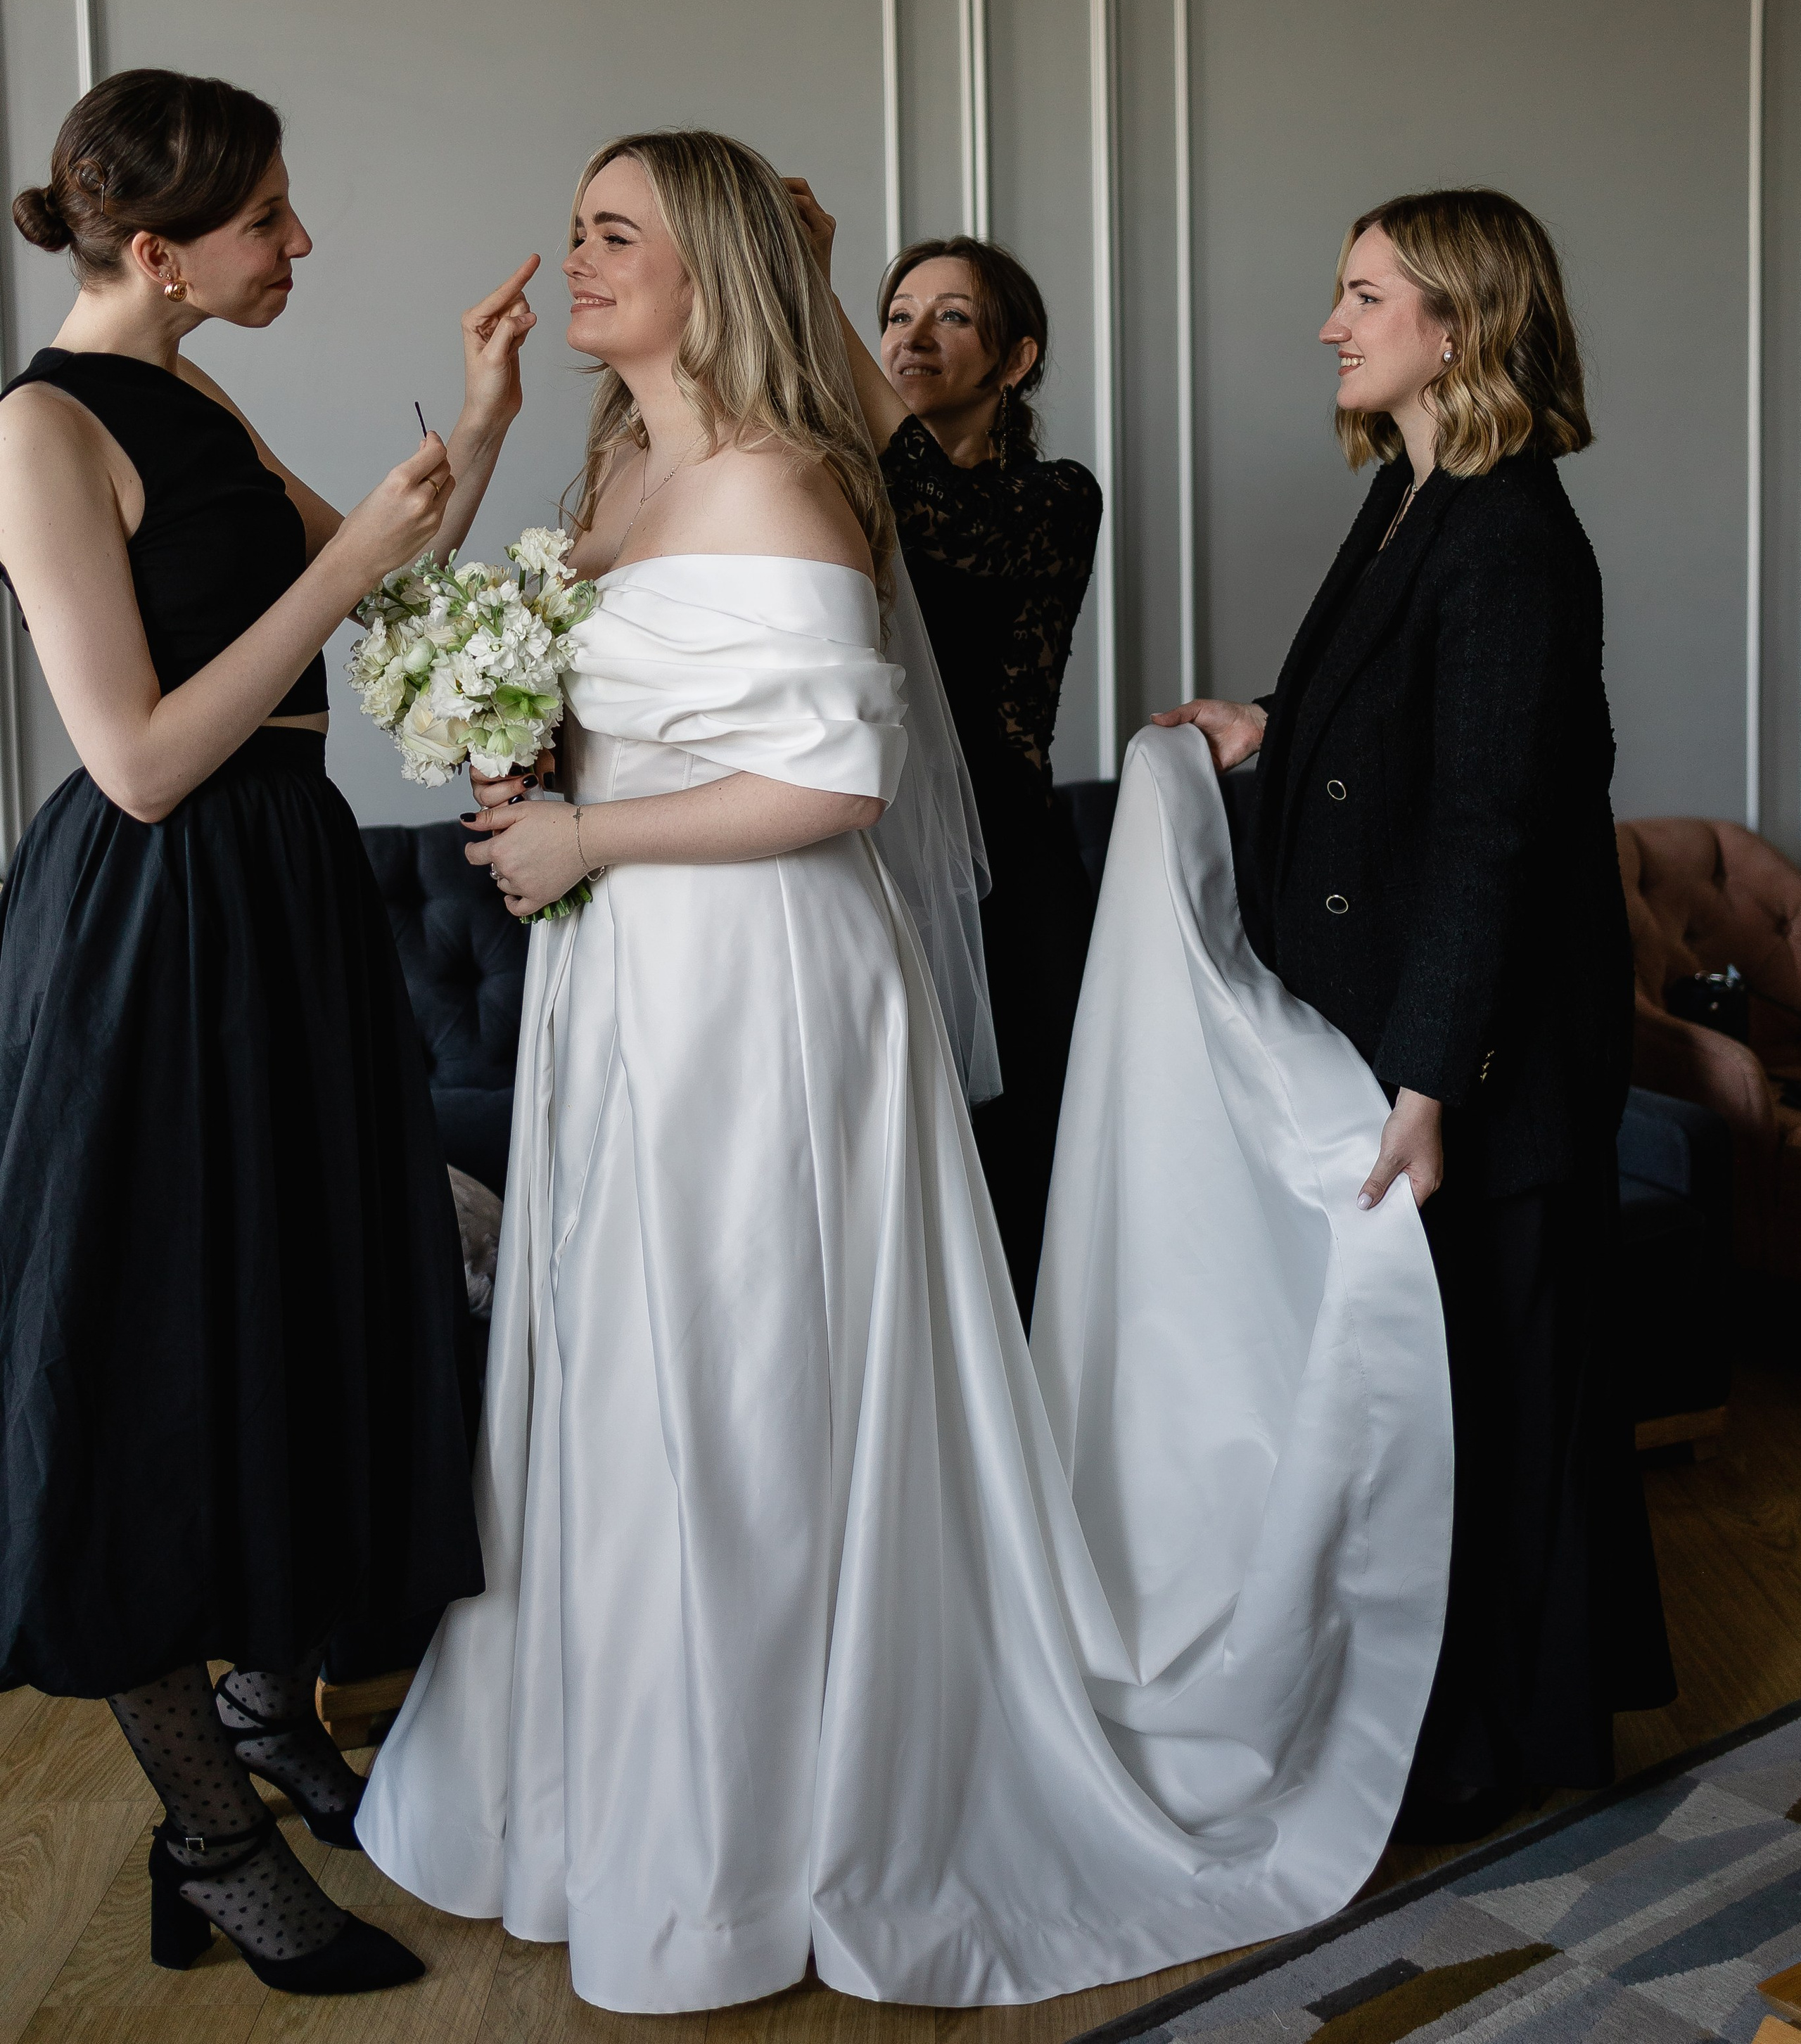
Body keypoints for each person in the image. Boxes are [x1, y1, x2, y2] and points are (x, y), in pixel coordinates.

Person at [355, 127, 1453, 2014]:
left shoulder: (790, 486)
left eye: (616, 235)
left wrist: (589, 845)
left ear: (707, 268)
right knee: (627, 1370)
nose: (579, 260)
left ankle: (770, 1825)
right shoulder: (617, 466)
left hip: (761, 992)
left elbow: (834, 790)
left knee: (754, 1378)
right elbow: (504, 656)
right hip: (623, 990)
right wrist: (521, 769)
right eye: (578, 231)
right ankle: (610, 1789)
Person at [0, 68, 538, 1993]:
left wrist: (479, 424)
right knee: (148, 1372)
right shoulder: (42, 432)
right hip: (157, 933)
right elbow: (135, 762)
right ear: (157, 252)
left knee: (295, 1322)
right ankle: (213, 1848)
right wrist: (344, 563)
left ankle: (258, 1716)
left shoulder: (194, 388)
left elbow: (383, 577)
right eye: (270, 223)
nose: (300, 246)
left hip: (286, 909)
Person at [1155, 186, 1672, 1841]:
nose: (1329, 322)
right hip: (1408, 1019)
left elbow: (1487, 825)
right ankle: (1444, 1722)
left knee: (1494, 1389)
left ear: (1455, 323)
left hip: (1489, 1049)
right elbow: (1399, 710)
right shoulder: (1415, 496)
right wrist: (1271, 717)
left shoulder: (1512, 531)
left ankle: (1496, 1746)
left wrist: (1432, 1079)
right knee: (1436, 1387)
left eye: (1361, 294)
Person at [786, 191, 1100, 1317]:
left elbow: (947, 522)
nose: (912, 336)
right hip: (861, 849)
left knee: (1012, 1170)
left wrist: (816, 294)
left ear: (1016, 359)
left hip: (1007, 876)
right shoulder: (834, 494)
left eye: (951, 318)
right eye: (896, 313)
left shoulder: (1056, 500)